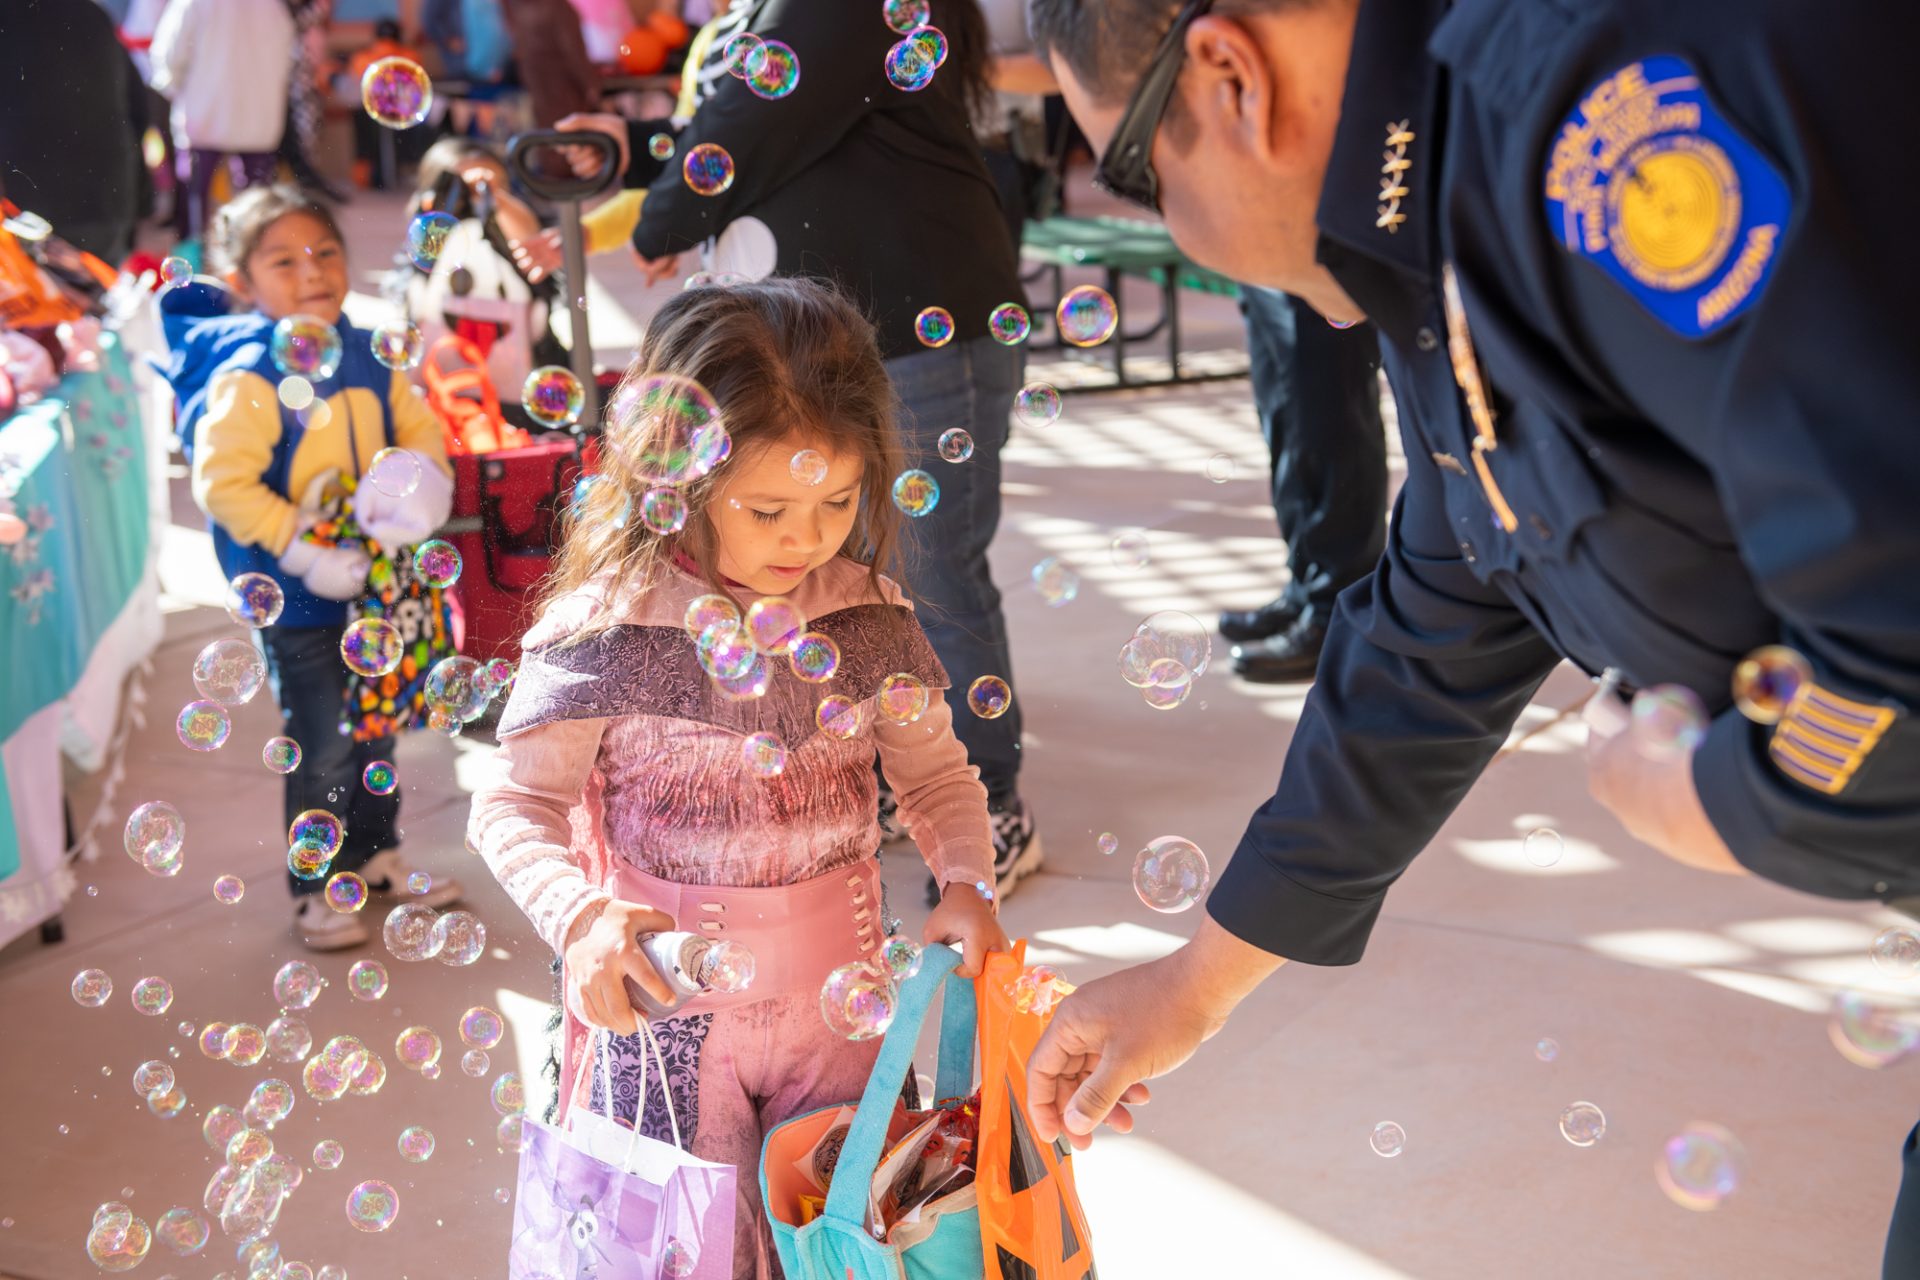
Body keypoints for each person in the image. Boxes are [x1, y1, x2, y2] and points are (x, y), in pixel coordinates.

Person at [1018, 0, 1920, 1268]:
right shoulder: (1440, 193)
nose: (1162, 223)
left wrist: (1716, 795)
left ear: (1230, 75)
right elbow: (1451, 599)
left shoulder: (1596, 122)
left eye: (1136, 169)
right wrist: (1199, 980)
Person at [467, 278, 1010, 1279]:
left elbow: (935, 776)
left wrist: (967, 880)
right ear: (677, 475)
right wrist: (579, 917)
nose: (807, 537)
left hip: (841, 1015)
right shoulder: (608, 625)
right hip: (660, 1019)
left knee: (852, 1246)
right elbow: (515, 800)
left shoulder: (868, 617)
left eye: (838, 501)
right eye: (768, 507)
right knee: (675, 1257)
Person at [558, 0, 1046, 908]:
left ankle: (992, 799)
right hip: (846, 346)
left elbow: (762, 115)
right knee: (842, 571)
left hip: (915, 332)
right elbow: (759, 107)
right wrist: (636, 146)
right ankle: (906, 779)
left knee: (933, 574)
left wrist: (664, 215)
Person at [165, 185, 462, 951]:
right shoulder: (249, 376)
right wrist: (301, 552)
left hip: (375, 594)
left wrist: (418, 490)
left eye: (325, 251)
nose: (312, 271)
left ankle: (376, 855)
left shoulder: (367, 354)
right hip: (296, 596)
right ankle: (316, 885)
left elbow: (422, 430)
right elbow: (223, 485)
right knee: (324, 743)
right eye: (284, 259)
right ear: (244, 280)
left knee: (375, 731)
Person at [1222, 287, 1386, 683]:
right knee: (1284, 414)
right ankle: (1305, 586)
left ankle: (1337, 611)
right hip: (1257, 251)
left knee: (1328, 417)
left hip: (1312, 250)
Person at [0, 0, 153, 264]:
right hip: (104, 204)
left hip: (23, 215)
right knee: (100, 298)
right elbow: (139, 111)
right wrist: (141, 203)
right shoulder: (92, 14)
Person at [149, 0, 297, 241]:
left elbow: (170, 55)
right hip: (257, 115)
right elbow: (287, 56)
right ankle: (249, 257)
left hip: (205, 111)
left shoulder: (193, 3)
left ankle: (195, 257)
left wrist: (174, 88)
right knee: (255, 202)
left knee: (196, 198)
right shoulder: (272, 6)